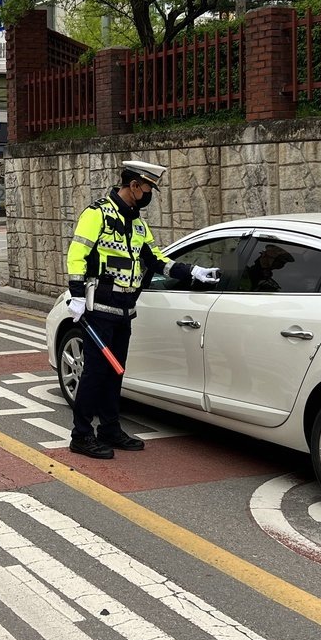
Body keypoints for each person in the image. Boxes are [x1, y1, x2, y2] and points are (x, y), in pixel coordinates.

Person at [65, 159, 220, 459]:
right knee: (95, 373)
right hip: (99, 308)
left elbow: (156, 259)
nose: (150, 193)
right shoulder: (97, 213)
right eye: (148, 187)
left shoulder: (137, 223)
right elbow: (77, 253)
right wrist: (76, 295)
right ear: (134, 186)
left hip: (125, 309)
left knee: (115, 372)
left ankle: (109, 428)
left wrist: (192, 272)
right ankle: (81, 434)